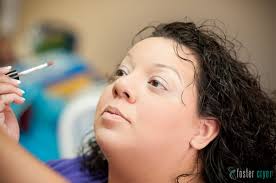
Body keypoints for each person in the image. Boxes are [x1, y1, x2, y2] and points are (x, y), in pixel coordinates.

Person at [0, 21, 275, 183]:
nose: (121, 84)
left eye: (156, 82)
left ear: (202, 131)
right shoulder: (66, 171)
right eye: (121, 72)